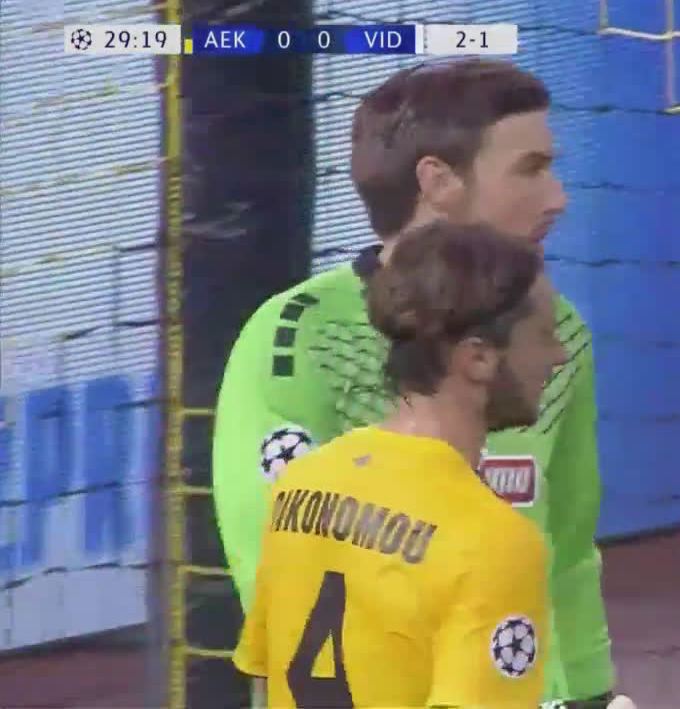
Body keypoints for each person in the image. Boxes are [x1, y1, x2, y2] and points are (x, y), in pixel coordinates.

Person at [212, 59, 626, 707]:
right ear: (439, 181)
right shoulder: (300, 335)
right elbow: (277, 561)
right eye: (530, 169)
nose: (557, 198)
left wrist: (590, 695)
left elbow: (567, 543)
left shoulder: (557, 328)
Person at [233, 220, 564, 707]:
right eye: (544, 336)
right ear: (477, 359)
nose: (558, 356)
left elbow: (264, 680)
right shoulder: (493, 544)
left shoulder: (300, 484)